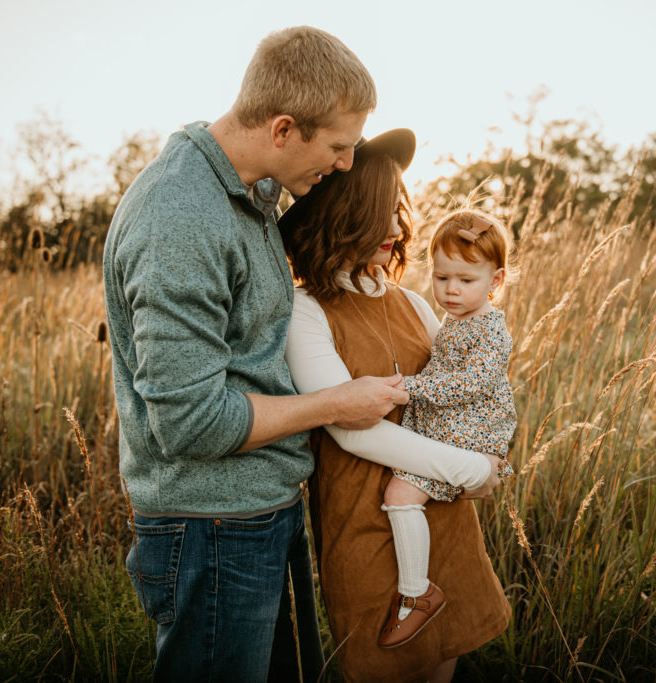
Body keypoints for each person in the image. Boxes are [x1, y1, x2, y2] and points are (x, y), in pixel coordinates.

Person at [102, 26, 414, 683]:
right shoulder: (181, 216)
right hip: (212, 528)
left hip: (254, 512)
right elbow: (191, 422)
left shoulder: (249, 192)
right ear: (282, 129)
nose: (345, 166)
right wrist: (336, 402)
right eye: (336, 146)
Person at [281, 129, 510, 683]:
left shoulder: (413, 301)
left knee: (443, 661)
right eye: (377, 212)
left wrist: (490, 449)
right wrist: (472, 468)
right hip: (363, 520)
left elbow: (468, 389)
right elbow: (354, 432)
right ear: (340, 214)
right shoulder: (306, 309)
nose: (395, 228)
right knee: (380, 664)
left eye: (397, 208)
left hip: (442, 516)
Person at [378, 209, 517, 648]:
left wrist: (410, 390)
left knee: (400, 494)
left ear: (495, 281)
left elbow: (472, 383)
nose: (451, 290)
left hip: (469, 433)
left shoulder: (492, 328)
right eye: (441, 278)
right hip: (450, 428)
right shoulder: (457, 322)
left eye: (465, 280)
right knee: (404, 493)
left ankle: (417, 594)